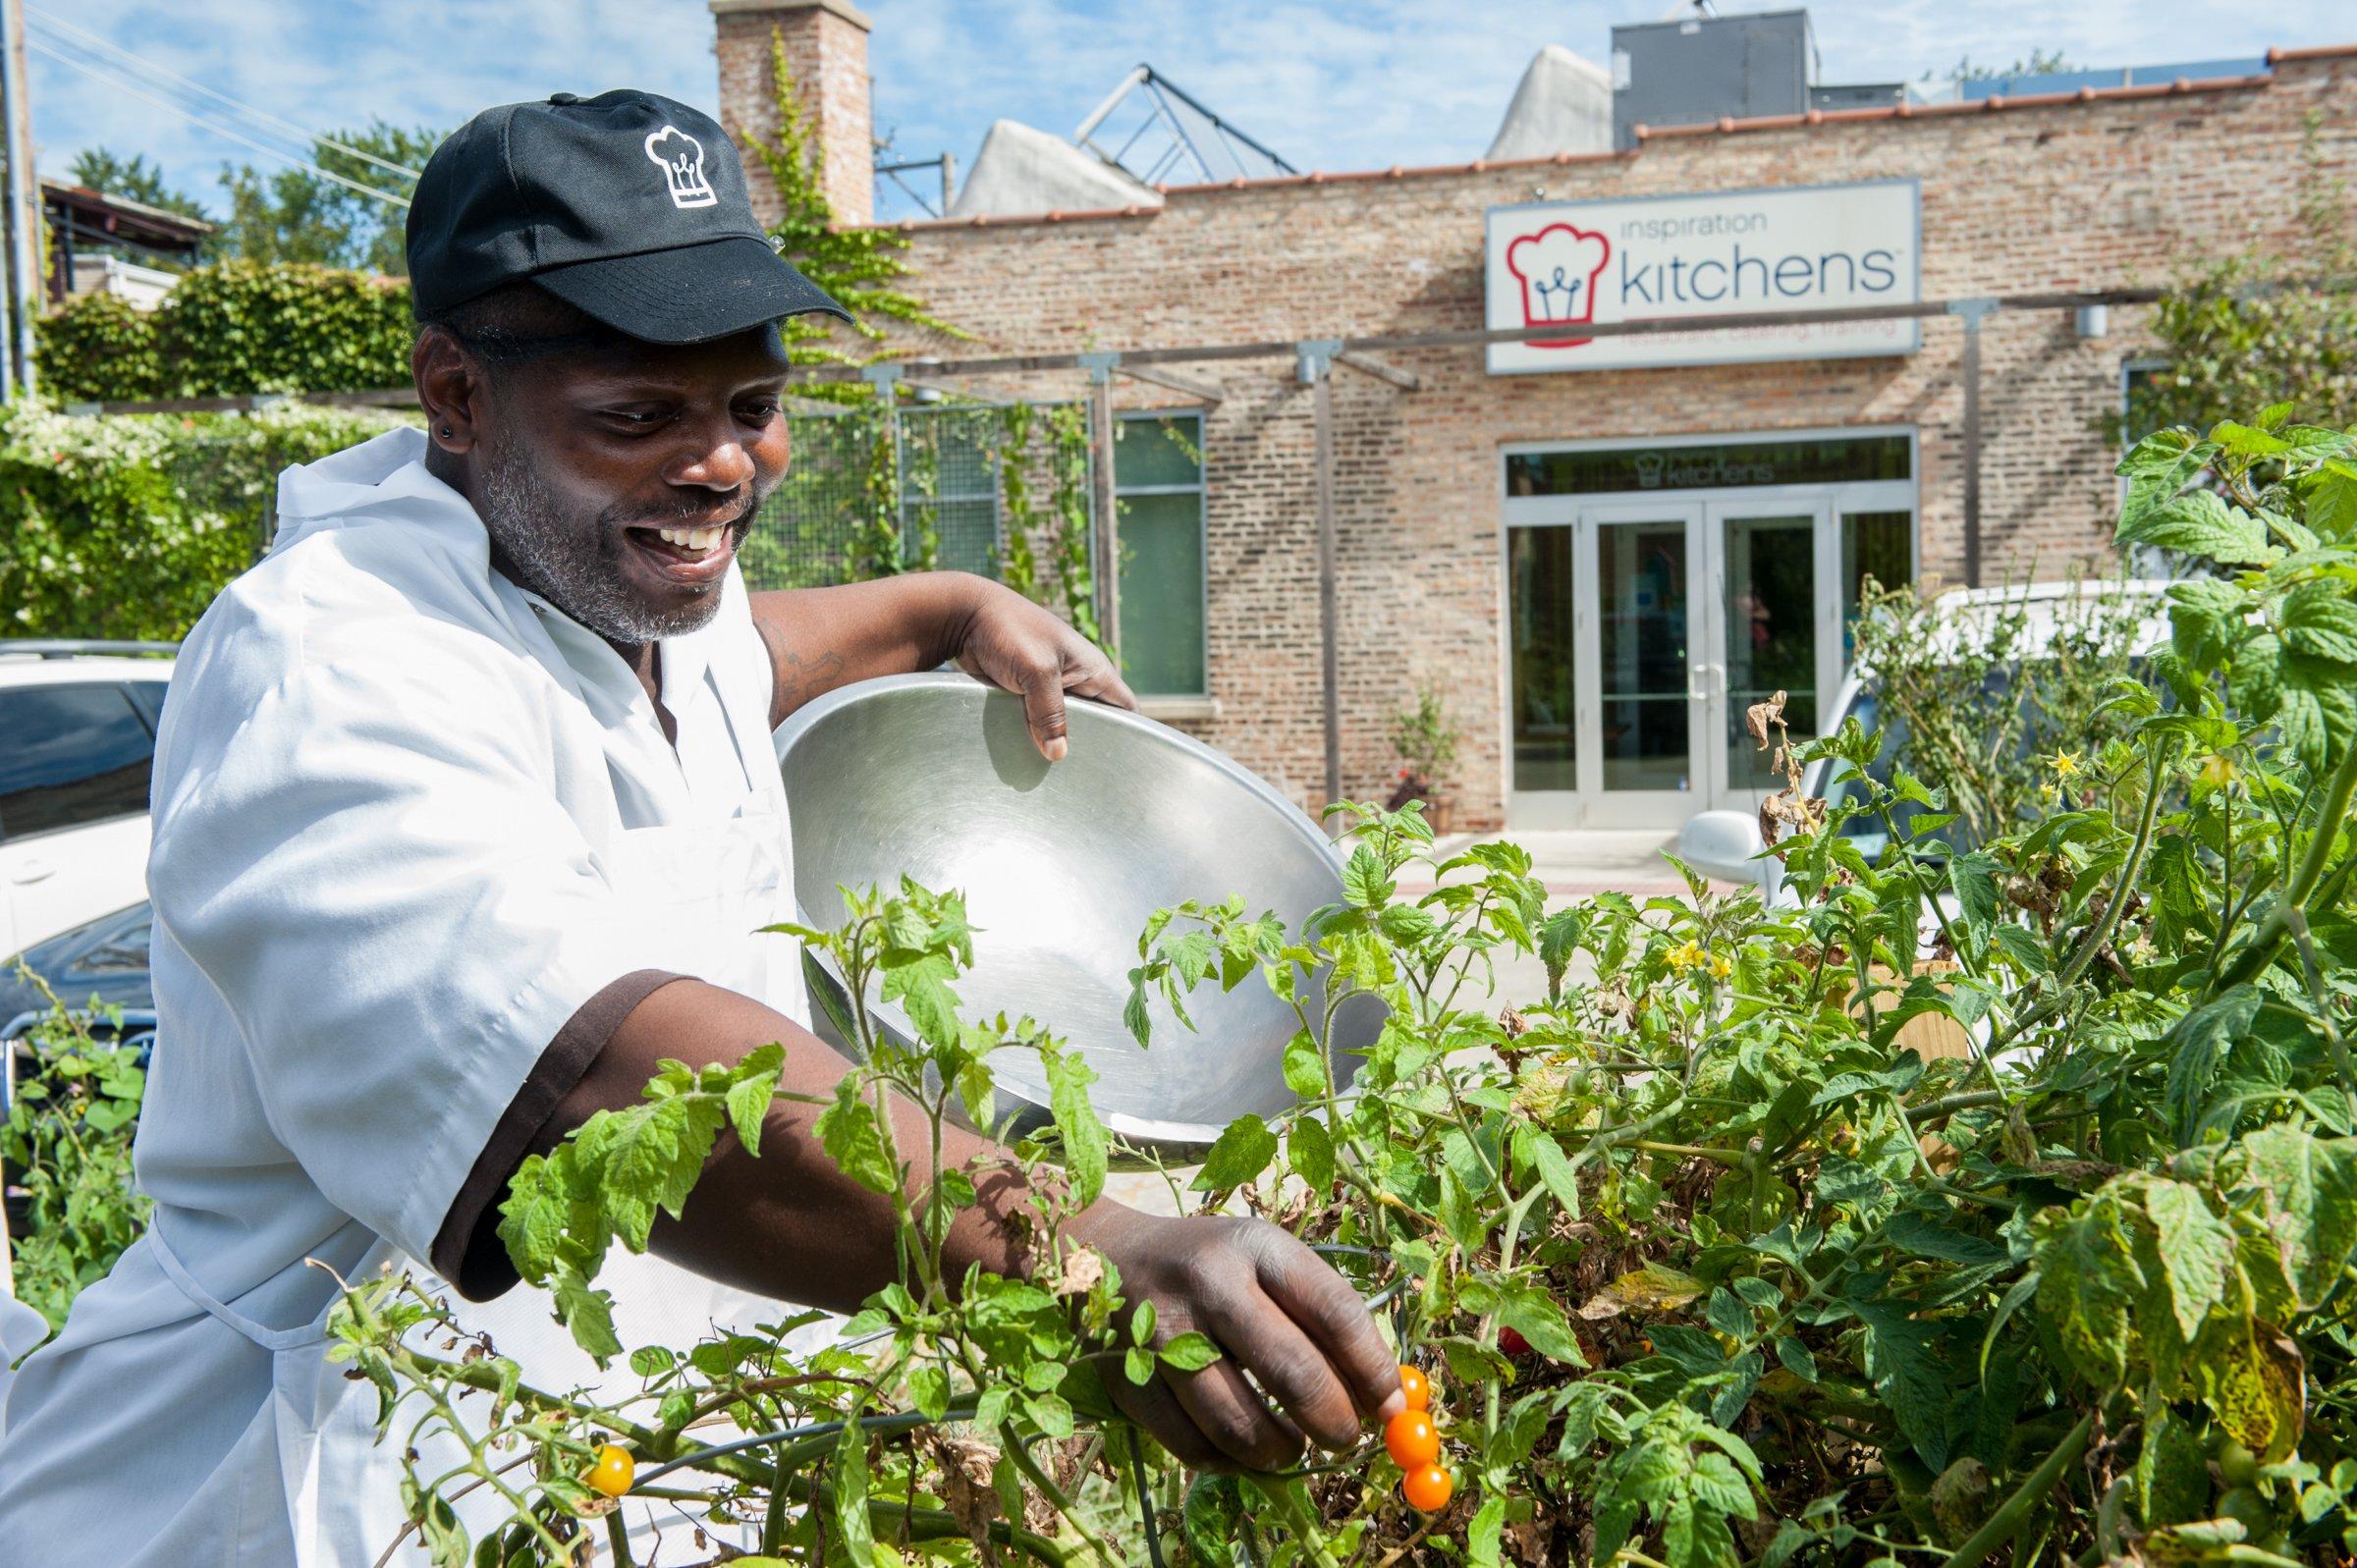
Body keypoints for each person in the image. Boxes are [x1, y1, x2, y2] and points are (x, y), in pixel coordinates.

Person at [0, 89, 1401, 1565]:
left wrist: (950, 608)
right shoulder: (332, 663)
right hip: (305, 1498)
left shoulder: (630, 592)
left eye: (752, 404)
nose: (726, 465)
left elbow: (766, 649)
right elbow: (602, 1075)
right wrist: (1083, 1245)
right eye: (641, 414)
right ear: (457, 397)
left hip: (616, 1472)